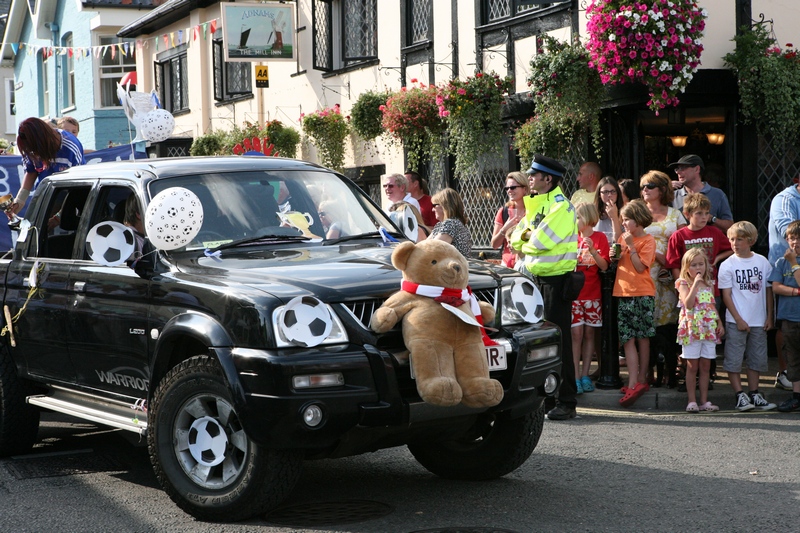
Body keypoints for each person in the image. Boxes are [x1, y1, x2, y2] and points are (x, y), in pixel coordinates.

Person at [509, 154, 579, 420]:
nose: (529, 179)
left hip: (555, 281)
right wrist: (525, 238)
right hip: (536, 280)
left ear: (547, 179)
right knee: (540, 343)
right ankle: (549, 399)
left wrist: (525, 240)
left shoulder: (561, 207)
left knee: (559, 343)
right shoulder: (539, 205)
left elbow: (539, 243)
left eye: (533, 175)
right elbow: (515, 237)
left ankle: (567, 401)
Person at [718, 221, 776, 411]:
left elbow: (768, 291)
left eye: (740, 240)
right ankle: (739, 394)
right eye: (732, 239)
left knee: (756, 358)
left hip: (759, 320)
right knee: (734, 359)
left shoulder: (762, 262)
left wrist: (769, 316)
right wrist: (738, 319)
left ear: (750, 241)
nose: (735, 243)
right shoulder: (727, 265)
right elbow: (726, 296)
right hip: (736, 321)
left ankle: (754, 393)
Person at [640, 170, 686, 387]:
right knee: (645, 325)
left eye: (649, 186)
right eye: (642, 187)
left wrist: (671, 264)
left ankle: (669, 371)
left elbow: (685, 245)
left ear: (662, 189)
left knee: (667, 327)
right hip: (642, 274)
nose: (645, 190)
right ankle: (646, 372)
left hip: (667, 277)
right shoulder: (638, 212)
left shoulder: (675, 214)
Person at [611, 199, 656, 408]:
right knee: (628, 339)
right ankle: (632, 381)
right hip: (624, 292)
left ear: (637, 220)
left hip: (642, 293)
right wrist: (615, 252)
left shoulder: (648, 241)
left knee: (643, 338)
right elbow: (618, 257)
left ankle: (641, 380)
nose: (624, 223)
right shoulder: (622, 237)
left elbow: (639, 268)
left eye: (627, 219)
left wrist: (630, 246)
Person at [675, 248, 724, 412]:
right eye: (694, 265)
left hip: (708, 329)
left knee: (705, 366)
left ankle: (704, 401)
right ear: (686, 268)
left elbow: (711, 306)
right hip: (692, 329)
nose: (698, 268)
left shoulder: (709, 283)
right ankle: (691, 401)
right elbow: (688, 304)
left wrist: (719, 322)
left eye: (701, 264)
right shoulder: (683, 283)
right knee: (692, 366)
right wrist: (694, 284)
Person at [11, 117, 86, 214]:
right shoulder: (29, 146)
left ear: (42, 141)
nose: (34, 153)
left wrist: (59, 216)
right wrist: (19, 201)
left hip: (71, 197)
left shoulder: (70, 146)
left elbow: (79, 186)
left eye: (35, 150)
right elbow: (31, 172)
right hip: (44, 195)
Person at [572, 202, 609, 394]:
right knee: (576, 335)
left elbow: (604, 266)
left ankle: (585, 374)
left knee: (589, 335)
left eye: (578, 217)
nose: (575, 221)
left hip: (592, 294)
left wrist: (593, 250)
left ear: (586, 219)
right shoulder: (571, 238)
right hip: (575, 295)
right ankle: (575, 376)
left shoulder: (600, 237)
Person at [767, 178, 800, 390]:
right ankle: (786, 374)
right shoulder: (786, 199)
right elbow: (787, 228)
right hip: (785, 267)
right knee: (786, 325)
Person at [669, 154, 733, 232]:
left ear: (697, 169)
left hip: (709, 242)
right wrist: (664, 189)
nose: (678, 172)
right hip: (682, 243)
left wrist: (711, 218)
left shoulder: (717, 194)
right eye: (677, 169)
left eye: (683, 168)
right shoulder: (673, 196)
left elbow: (730, 227)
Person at [491, 171, 528, 269]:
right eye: (507, 188)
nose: (509, 191)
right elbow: (494, 245)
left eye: (513, 187)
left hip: (527, 264)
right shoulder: (504, 211)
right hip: (507, 266)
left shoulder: (532, 211)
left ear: (525, 189)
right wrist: (504, 229)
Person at [429, 188, 472, 258]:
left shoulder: (451, 223)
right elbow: (424, 246)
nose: (432, 209)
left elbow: (433, 249)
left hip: (453, 267)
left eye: (434, 205)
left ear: (444, 206)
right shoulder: (441, 224)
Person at [594, 176, 623, 245]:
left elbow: (619, 241)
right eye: (605, 192)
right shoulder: (593, 213)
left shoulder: (625, 213)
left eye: (613, 191)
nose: (609, 195)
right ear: (599, 194)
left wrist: (614, 217)